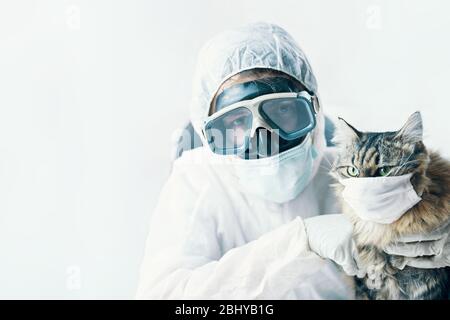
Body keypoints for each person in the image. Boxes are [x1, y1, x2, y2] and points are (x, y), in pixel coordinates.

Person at [136, 22, 450, 299]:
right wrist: (302, 243)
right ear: (210, 132)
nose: (263, 138)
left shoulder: (354, 178)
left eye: (282, 109)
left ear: (313, 109)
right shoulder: (195, 179)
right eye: (236, 122)